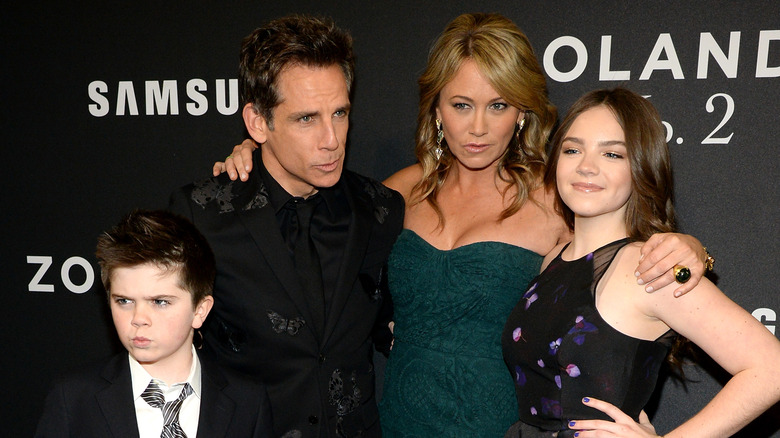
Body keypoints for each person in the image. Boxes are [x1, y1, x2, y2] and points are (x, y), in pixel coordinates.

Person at [217, 13, 708, 438]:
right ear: (436, 109)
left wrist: (690, 251)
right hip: (396, 420)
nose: (477, 128)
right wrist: (256, 157)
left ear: (521, 114)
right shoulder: (395, 194)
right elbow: (302, 213)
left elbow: (629, 247)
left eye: (498, 106)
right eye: (461, 105)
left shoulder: (555, 197)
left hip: (501, 424)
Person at [170, 14, 404, 438]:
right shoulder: (202, 214)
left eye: (340, 113)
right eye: (306, 119)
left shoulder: (381, 210)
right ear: (259, 123)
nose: (332, 138)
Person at [501, 88, 780, 438]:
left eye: (612, 154)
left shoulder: (650, 267)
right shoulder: (551, 261)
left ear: (640, 167)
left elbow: (771, 368)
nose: (586, 166)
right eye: (572, 150)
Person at [35, 210, 274, 438]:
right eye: (124, 301)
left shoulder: (247, 402)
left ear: (200, 310)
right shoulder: (74, 398)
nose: (138, 318)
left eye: (160, 302)